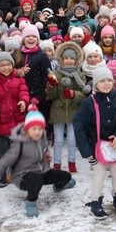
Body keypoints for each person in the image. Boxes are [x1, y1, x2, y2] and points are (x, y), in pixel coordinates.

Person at [0, 104, 76, 217]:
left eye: (40, 129)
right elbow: (3, 162)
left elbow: (43, 152)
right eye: (34, 129)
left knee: (65, 176)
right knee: (36, 180)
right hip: (23, 176)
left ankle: (58, 186)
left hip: (41, 172)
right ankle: (31, 202)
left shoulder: (42, 139)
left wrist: (46, 157)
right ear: (27, 129)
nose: (37, 132)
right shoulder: (19, 144)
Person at [73, 66, 116, 219]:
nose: (106, 84)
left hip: (114, 146)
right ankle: (96, 202)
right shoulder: (89, 103)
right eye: (102, 81)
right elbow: (79, 126)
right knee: (100, 174)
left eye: (108, 80)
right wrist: (87, 151)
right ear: (95, 85)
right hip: (96, 145)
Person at [46, 42, 89, 172]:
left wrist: (73, 94)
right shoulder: (56, 74)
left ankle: (72, 162)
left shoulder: (79, 75)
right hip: (57, 111)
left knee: (72, 140)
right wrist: (52, 87)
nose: (69, 61)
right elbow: (51, 96)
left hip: (73, 110)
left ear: (76, 60)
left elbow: (83, 94)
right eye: (66, 58)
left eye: (71, 59)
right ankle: (57, 164)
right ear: (61, 59)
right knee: (58, 141)